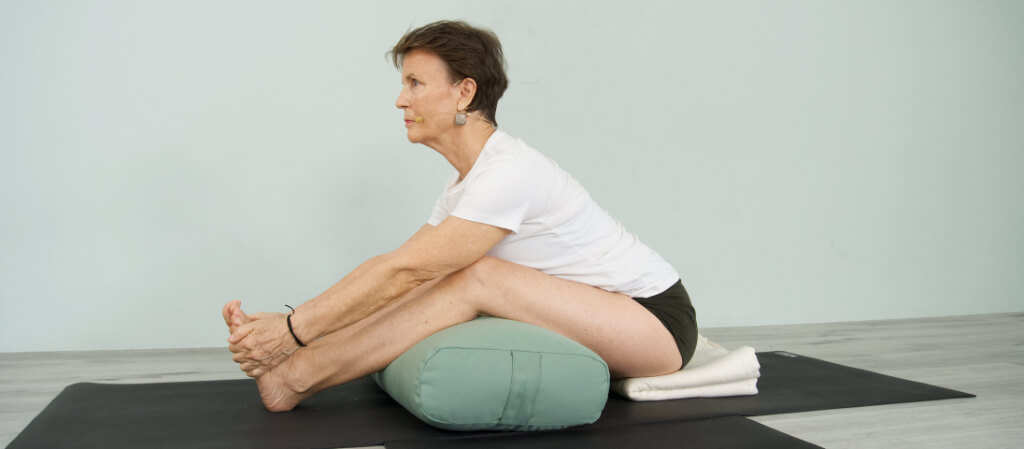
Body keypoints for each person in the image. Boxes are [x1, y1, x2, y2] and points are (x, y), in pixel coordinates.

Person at [222, 20, 697, 412]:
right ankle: (295, 373)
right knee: (440, 272)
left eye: (415, 83)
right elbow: (400, 265)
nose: (400, 100)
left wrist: (290, 331)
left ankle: (299, 377)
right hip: (608, 312)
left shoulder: (509, 173)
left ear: (464, 93)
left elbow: (407, 272)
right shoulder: (467, 182)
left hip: (655, 321)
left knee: (473, 275)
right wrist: (290, 327)